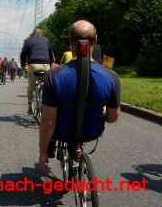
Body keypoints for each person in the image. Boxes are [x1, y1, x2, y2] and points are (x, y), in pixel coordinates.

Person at [38, 20, 120, 172]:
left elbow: (48, 122)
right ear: (95, 40)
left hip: (61, 132)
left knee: (47, 116)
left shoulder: (52, 76)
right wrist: (102, 110)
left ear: (70, 41)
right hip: (91, 131)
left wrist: (43, 152)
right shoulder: (112, 77)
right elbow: (112, 118)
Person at [20, 28, 55, 115]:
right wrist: (50, 64)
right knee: (47, 86)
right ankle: (46, 102)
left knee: (31, 87)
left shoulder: (28, 41)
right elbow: (51, 53)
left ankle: (29, 106)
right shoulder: (46, 40)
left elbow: (23, 54)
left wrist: (23, 65)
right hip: (45, 65)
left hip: (33, 65)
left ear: (33, 34)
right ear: (41, 33)